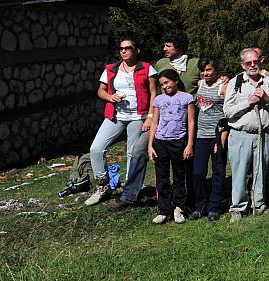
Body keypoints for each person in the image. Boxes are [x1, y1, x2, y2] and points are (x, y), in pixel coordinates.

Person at [86, 38, 158, 208]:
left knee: (132, 153)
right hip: (115, 115)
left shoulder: (147, 68)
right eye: (121, 48)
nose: (124, 51)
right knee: (96, 148)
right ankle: (103, 185)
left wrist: (150, 116)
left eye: (128, 48)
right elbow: (100, 91)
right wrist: (110, 97)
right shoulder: (111, 69)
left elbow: (154, 93)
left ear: (137, 50)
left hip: (138, 116)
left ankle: (130, 189)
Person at [223, 48, 269, 222]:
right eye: (248, 63)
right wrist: (248, 101)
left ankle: (259, 204)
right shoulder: (235, 82)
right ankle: (238, 208)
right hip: (241, 134)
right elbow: (228, 111)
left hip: (264, 134)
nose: (252, 65)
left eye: (255, 62)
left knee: (261, 170)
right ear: (243, 65)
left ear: (260, 61)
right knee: (240, 172)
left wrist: (266, 99)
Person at [147, 69, 196, 224]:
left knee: (179, 176)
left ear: (175, 80)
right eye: (161, 84)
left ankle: (179, 207)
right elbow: (154, 122)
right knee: (161, 176)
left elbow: (191, 122)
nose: (165, 87)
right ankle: (164, 209)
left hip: (179, 142)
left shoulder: (187, 98)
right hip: (160, 142)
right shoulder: (158, 100)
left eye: (167, 82)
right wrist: (150, 145)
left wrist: (189, 144)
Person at [190, 57, 228, 221]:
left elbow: (228, 114)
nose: (206, 73)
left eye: (209, 70)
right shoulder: (200, 84)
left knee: (218, 171)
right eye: (203, 70)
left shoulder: (224, 86)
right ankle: (200, 206)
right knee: (198, 172)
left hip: (217, 135)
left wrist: (221, 139)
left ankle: (214, 207)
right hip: (201, 135)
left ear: (216, 70)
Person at [155, 29, 200, 94]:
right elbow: (155, 88)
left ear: (179, 46)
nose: (164, 49)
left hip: (191, 103)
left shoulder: (196, 63)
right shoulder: (161, 64)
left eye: (168, 46)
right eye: (164, 46)